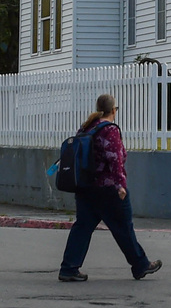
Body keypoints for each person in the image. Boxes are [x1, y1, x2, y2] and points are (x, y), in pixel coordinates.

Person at [58, 93, 161, 283]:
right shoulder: (109, 130)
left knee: (82, 227)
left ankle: (69, 268)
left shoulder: (86, 127)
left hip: (85, 187)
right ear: (114, 110)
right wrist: (120, 185)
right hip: (107, 189)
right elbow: (115, 160)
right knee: (123, 227)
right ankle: (140, 265)